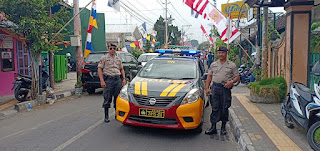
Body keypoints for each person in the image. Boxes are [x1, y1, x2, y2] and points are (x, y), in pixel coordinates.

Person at [205, 46, 240, 135]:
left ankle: (223, 127)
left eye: (222, 52)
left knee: (224, 107)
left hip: (225, 88)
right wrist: (207, 88)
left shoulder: (231, 65)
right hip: (215, 88)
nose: (221, 54)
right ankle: (213, 127)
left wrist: (231, 82)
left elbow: (237, 77)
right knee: (215, 107)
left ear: (226, 53)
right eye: (219, 52)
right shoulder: (213, 64)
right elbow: (209, 76)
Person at [98, 43, 126, 123]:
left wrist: (123, 79)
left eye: (114, 48)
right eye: (111, 48)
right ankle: (106, 116)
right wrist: (102, 81)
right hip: (109, 80)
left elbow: (121, 69)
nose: (113, 50)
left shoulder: (118, 59)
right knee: (107, 98)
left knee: (118, 98)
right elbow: (99, 69)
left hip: (117, 80)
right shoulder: (104, 58)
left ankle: (117, 114)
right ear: (108, 49)